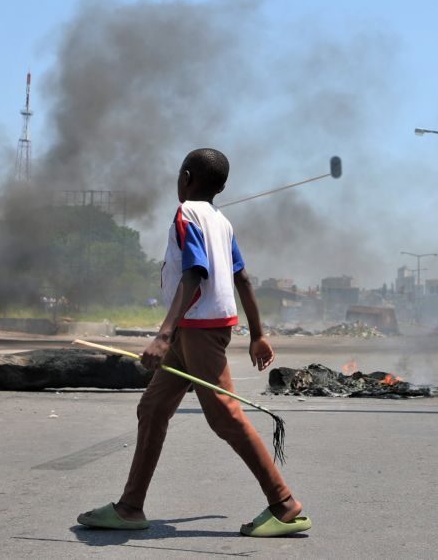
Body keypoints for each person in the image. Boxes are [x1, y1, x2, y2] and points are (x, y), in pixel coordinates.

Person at [77, 148, 311, 537]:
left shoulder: (187, 214)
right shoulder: (221, 221)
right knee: (152, 409)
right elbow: (244, 280)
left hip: (197, 332)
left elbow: (194, 273)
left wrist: (162, 335)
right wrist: (257, 334)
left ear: (186, 177)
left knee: (226, 418)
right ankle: (130, 507)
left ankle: (284, 504)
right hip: (194, 332)